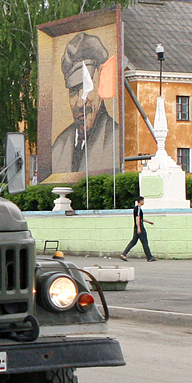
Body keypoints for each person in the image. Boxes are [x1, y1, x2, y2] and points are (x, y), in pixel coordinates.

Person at [50, 33, 119, 175]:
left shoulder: (116, 139)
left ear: (101, 83)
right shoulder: (59, 146)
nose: (81, 103)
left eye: (87, 88)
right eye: (73, 91)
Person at [120, 196, 156, 262]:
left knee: (133, 242)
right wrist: (139, 228)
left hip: (136, 227)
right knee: (145, 242)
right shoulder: (138, 208)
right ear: (140, 201)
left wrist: (149, 222)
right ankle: (149, 257)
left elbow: (141, 218)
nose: (144, 202)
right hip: (140, 228)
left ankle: (124, 254)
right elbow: (138, 218)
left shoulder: (136, 208)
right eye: (143, 200)